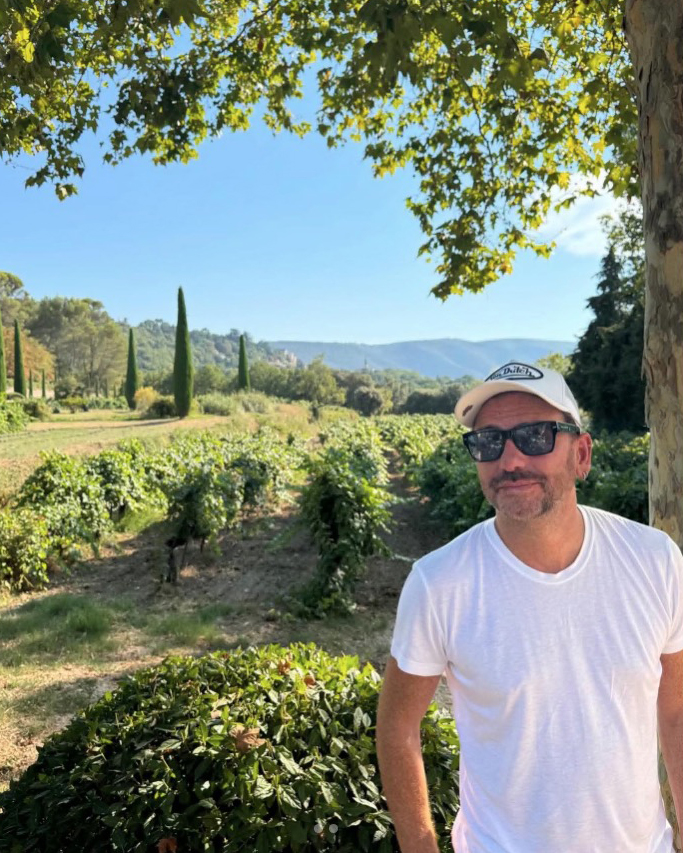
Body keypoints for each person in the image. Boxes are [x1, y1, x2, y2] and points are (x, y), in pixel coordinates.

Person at [376, 361, 683, 853]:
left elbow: (676, 709)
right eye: (489, 442)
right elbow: (397, 727)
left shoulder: (654, 561)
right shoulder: (439, 584)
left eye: (536, 436)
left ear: (581, 455)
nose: (510, 459)